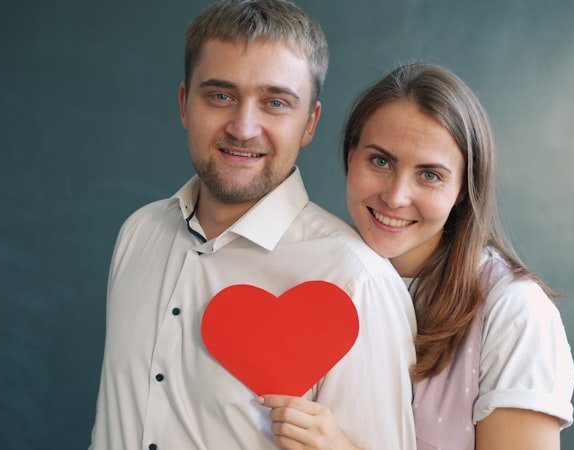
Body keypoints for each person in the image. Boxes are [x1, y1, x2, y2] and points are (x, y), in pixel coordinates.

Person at [88, 1, 417, 449]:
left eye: (275, 103)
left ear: (309, 124)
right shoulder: (139, 234)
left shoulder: (359, 283)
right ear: (185, 104)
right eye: (220, 96)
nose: (243, 127)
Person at [261, 62, 574, 449]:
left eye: (430, 175)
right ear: (350, 156)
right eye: (380, 161)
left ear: (463, 188)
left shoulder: (514, 311)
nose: (395, 196)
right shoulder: (313, 277)